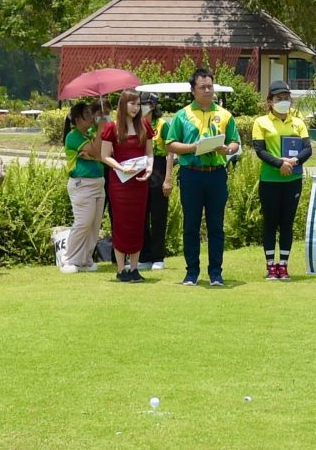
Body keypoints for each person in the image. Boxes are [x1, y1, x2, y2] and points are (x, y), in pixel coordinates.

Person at [163, 68, 240, 287]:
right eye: (202, 87)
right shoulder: (182, 115)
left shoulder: (225, 115)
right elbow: (170, 144)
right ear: (193, 90)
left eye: (210, 86)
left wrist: (228, 149)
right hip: (191, 174)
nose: (207, 90)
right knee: (191, 225)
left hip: (216, 175)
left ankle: (216, 273)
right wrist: (192, 147)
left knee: (216, 226)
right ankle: (191, 272)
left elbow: (235, 142)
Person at [246, 83, 311, 280]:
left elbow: (307, 149)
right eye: (278, 98)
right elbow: (260, 150)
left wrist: (294, 161)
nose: (283, 101)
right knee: (270, 222)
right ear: (270, 101)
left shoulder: (298, 122)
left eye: (286, 98)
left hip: (293, 179)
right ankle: (270, 266)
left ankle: (283, 265)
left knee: (287, 223)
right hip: (270, 179)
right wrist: (280, 164)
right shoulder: (261, 122)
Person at [102, 91, 154, 282]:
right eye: (132, 104)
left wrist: (149, 169)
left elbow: (149, 153)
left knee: (137, 222)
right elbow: (104, 156)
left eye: (138, 104)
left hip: (139, 181)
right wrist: (121, 167)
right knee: (121, 223)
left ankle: (134, 268)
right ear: (123, 105)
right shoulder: (112, 127)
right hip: (120, 183)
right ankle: (121, 269)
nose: (135, 108)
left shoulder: (144, 125)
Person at [62, 97, 108, 273]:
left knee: (94, 224)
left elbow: (101, 153)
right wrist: (101, 130)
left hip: (97, 182)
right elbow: (96, 151)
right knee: (83, 222)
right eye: (86, 114)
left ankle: (85, 259)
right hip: (82, 184)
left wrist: (95, 153)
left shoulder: (88, 134)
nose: (91, 117)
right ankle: (69, 259)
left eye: (90, 113)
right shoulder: (73, 136)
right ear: (77, 119)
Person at [136, 91, 170, 271]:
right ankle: (144, 255)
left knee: (158, 214)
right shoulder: (135, 124)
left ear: (153, 105)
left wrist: (168, 178)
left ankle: (158, 256)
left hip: (158, 166)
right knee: (141, 213)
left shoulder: (162, 125)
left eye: (144, 103)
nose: (141, 107)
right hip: (139, 166)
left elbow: (171, 151)